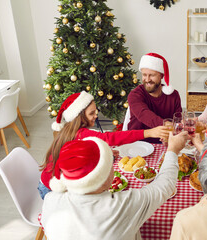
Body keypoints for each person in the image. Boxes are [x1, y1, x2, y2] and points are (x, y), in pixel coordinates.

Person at [40, 132, 189, 240]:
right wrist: (173, 150)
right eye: (110, 163)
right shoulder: (122, 205)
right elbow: (164, 186)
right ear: (104, 179)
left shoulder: (50, 200)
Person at [38, 91, 169, 199]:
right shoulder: (81, 134)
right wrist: (148, 132)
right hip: (51, 190)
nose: (96, 115)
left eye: (95, 111)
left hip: (47, 181)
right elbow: (109, 138)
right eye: (91, 113)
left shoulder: (69, 130)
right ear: (80, 117)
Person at [127, 53, 182, 143]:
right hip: (137, 143)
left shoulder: (173, 95)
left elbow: (178, 121)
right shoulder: (135, 95)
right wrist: (166, 125)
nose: (147, 79)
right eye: (144, 75)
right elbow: (144, 114)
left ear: (161, 76)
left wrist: (175, 132)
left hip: (164, 143)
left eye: (152, 75)